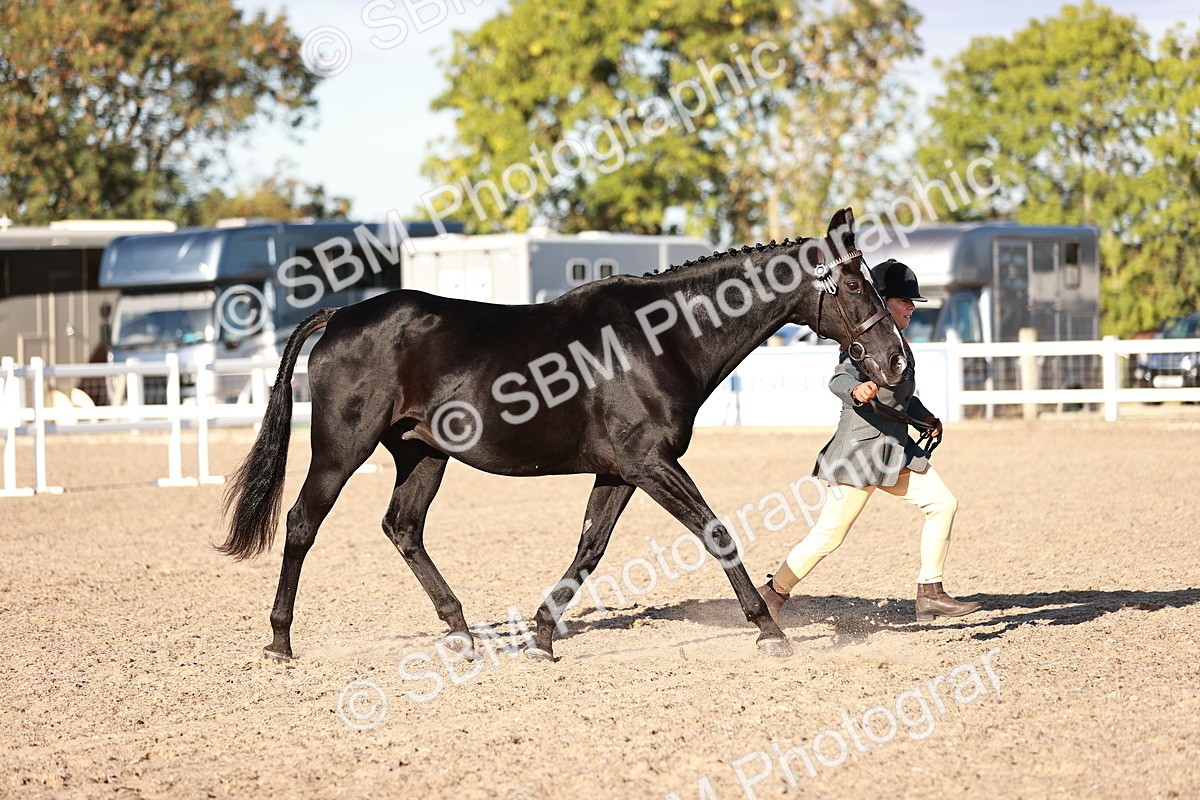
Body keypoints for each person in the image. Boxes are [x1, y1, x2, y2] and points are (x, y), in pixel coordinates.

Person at [757, 259, 980, 624]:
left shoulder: (897, 342)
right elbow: (838, 380)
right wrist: (856, 389)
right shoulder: (861, 341)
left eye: (913, 302)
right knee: (829, 535)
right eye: (905, 300)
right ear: (882, 300)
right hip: (860, 453)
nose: (911, 307)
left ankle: (930, 591)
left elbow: (900, 398)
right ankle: (772, 593)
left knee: (943, 503)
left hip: (895, 451)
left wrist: (924, 417)